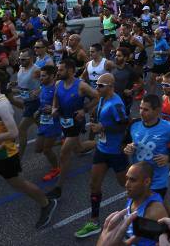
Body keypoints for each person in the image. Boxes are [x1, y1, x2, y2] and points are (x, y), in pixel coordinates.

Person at [0, 70, 58, 245]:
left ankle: (47, 203)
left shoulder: (2, 105)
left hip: (5, 155)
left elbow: (14, 133)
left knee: (20, 185)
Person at [124, 95, 170, 243]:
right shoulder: (134, 125)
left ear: (157, 110)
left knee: (151, 213)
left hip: (157, 180)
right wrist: (127, 148)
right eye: (140, 108)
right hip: (139, 178)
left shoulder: (168, 128)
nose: (141, 112)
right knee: (161, 207)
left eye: (146, 109)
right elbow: (125, 142)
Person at [75, 73, 131, 239]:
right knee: (94, 184)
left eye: (100, 85)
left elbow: (124, 126)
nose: (97, 88)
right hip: (102, 149)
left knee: (128, 186)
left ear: (110, 86)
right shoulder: (102, 99)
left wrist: (103, 128)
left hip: (116, 152)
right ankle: (94, 221)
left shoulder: (116, 103)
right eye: (96, 85)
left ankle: (142, 212)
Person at [47, 58, 100, 200]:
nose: (58, 72)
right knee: (79, 148)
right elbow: (55, 99)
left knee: (64, 152)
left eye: (61, 69)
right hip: (64, 121)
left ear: (70, 70)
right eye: (58, 69)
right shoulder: (58, 84)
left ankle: (58, 187)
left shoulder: (81, 86)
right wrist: (54, 108)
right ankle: (101, 143)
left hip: (76, 122)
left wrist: (85, 110)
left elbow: (97, 96)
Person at [34, 64, 62, 181]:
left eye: (44, 76)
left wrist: (53, 109)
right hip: (44, 121)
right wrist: (39, 110)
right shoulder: (43, 86)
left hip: (54, 123)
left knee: (46, 150)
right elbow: (43, 103)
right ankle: (62, 142)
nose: (41, 78)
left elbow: (63, 106)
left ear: (51, 76)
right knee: (38, 149)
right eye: (40, 76)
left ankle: (56, 168)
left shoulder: (57, 89)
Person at [11, 48, 41, 156]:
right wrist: (14, 84)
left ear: (31, 59)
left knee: (21, 129)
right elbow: (21, 84)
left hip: (35, 102)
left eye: (24, 59)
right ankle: (55, 135)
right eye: (20, 59)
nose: (20, 61)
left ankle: (19, 157)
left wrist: (38, 90)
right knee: (42, 126)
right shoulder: (21, 68)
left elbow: (49, 82)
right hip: (26, 102)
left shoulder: (36, 70)